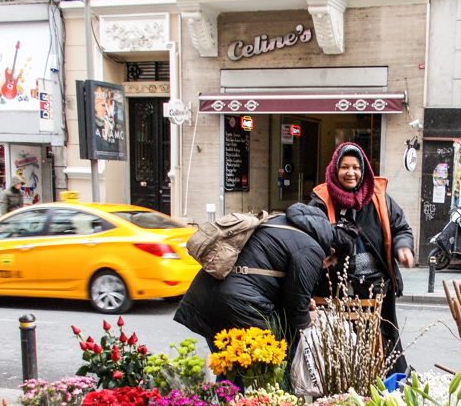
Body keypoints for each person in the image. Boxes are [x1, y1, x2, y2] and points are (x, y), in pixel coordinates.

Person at [173, 203, 357, 362]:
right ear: (331, 251)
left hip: (205, 294)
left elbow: (268, 273)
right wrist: (308, 317)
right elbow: (295, 313)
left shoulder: (279, 220)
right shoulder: (312, 250)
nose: (325, 266)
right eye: (330, 262)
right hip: (237, 305)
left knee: (229, 373)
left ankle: (227, 399)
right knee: (270, 366)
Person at [310, 142, 415, 376]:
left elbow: (401, 229)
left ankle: (389, 392)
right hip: (337, 291)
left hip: (377, 289)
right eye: (345, 167)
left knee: (385, 348)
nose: (351, 172)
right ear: (335, 170)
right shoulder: (320, 201)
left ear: (364, 170)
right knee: (340, 353)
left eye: (356, 167)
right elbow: (308, 238)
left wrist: (403, 247)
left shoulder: (379, 199)